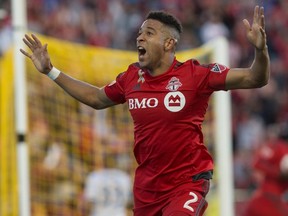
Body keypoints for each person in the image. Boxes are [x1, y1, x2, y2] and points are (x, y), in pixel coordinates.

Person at [21, 5, 270, 216]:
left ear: (168, 43)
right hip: (147, 188)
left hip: (187, 183)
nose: (139, 38)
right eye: (139, 33)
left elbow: (254, 79)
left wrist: (260, 50)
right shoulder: (131, 78)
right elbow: (96, 98)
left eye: (149, 33)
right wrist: (51, 71)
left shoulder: (196, 75)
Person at [242, 122, 288, 216]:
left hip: (276, 199)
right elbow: (257, 163)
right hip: (269, 198)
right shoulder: (279, 148)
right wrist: (276, 172)